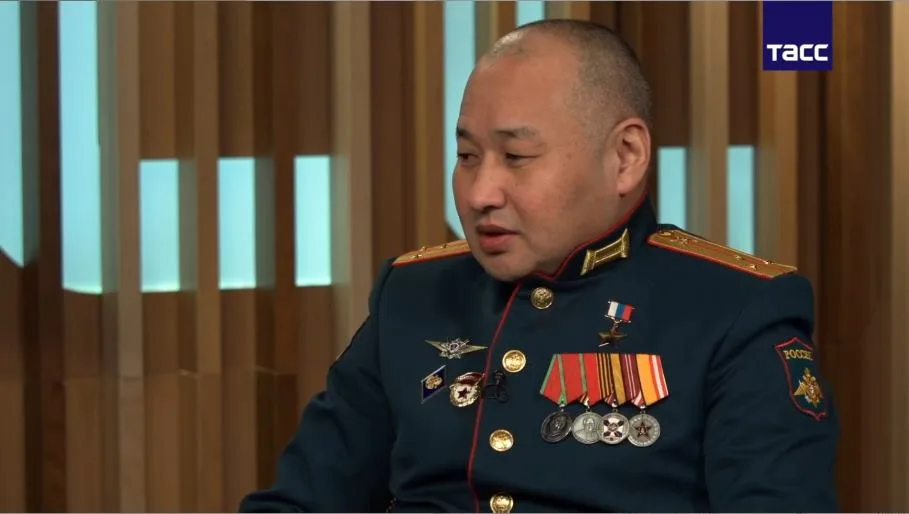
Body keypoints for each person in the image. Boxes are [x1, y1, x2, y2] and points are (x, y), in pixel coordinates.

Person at [239, 18, 839, 513]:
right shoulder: (413, 293)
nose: (480, 193)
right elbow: (302, 501)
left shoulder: (734, 307)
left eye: (517, 157)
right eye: (467, 156)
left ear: (625, 156)